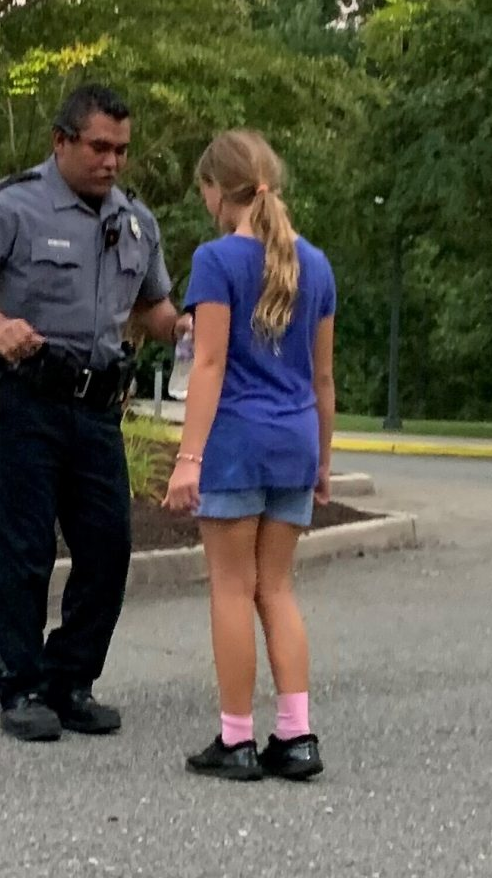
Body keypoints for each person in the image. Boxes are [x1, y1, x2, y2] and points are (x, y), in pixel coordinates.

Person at [0, 84, 190, 742]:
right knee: (24, 552)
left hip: (97, 406)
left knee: (109, 548)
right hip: (24, 399)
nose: (112, 162)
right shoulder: (12, 206)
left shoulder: (137, 221)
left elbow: (153, 310)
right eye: (100, 147)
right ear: (62, 141)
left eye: (122, 151)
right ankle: (19, 686)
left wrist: (191, 328)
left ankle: (70, 679)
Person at [162, 129, 336, 782]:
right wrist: (323, 459)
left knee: (232, 589)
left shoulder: (217, 260)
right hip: (295, 442)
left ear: (215, 190)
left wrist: (188, 459)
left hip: (237, 442)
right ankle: (296, 735)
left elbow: (207, 365)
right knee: (279, 589)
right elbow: (323, 379)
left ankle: (235, 740)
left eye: (204, 190)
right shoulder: (315, 265)